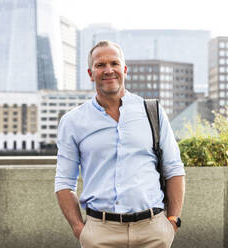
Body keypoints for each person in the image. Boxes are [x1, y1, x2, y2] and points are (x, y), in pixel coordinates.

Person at [55, 40, 185, 248]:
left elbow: (174, 169)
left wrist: (172, 221)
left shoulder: (152, 111)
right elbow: (64, 182)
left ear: (124, 70)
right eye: (100, 65)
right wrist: (80, 230)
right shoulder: (73, 122)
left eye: (114, 63)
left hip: (153, 232)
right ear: (90, 73)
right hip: (100, 234)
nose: (109, 70)